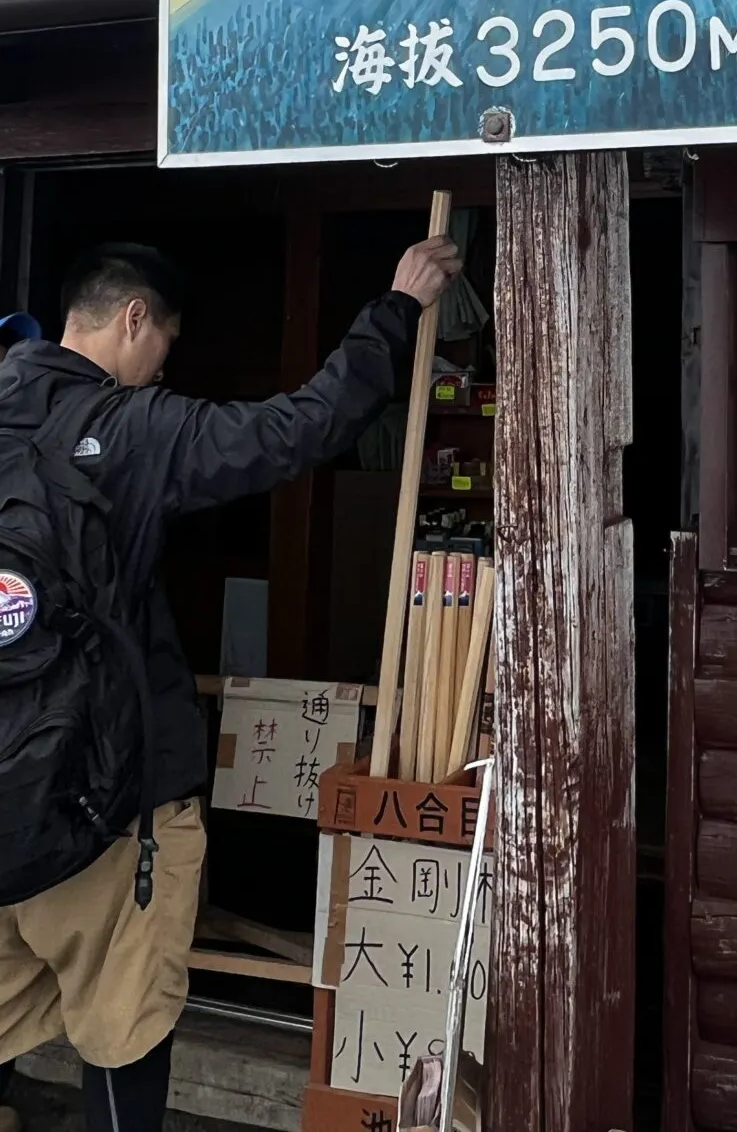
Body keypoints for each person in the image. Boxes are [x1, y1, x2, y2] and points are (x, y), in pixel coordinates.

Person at [0, 235, 460, 1132]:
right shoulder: (131, 428)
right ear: (135, 319)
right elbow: (299, 430)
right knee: (123, 1026)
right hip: (110, 807)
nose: (159, 366)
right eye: (163, 345)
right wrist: (396, 308)